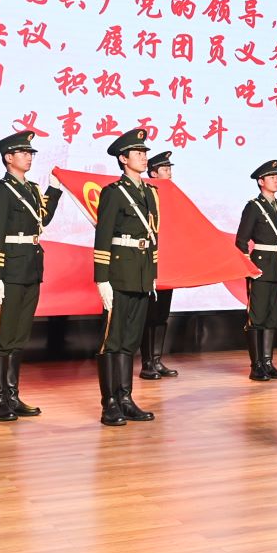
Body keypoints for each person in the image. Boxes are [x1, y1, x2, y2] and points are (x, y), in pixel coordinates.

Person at [0, 130, 62, 422]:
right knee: (2, 337)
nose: (29, 157)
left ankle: (13, 396)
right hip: (10, 271)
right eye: (23, 152)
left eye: (30, 153)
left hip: (30, 268)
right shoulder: (1, 191)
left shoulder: (31, 189)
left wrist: (54, 190)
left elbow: (42, 219)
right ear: (8, 157)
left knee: (19, 336)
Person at [93, 128, 161, 427]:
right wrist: (102, 279)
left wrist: (152, 273)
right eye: (138, 153)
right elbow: (103, 236)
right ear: (123, 159)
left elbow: (154, 235)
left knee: (130, 341)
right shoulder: (113, 192)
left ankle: (126, 399)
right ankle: (109, 403)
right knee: (113, 341)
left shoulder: (150, 192)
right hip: (119, 274)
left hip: (141, 273)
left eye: (145, 152)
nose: (144, 157)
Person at [234, 159, 277, 382]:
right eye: (272, 177)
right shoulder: (254, 207)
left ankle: (268, 362)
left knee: (272, 316)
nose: (276, 180)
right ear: (261, 181)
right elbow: (241, 241)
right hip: (260, 267)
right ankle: (256, 365)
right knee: (256, 317)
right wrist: (250, 267)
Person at [140, 150, 179, 380]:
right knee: (149, 314)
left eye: (170, 169)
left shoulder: (173, 195)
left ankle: (157, 359)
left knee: (162, 314)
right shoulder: (146, 194)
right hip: (150, 261)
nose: (169, 173)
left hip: (168, 261)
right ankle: (147, 363)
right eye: (165, 169)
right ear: (153, 173)